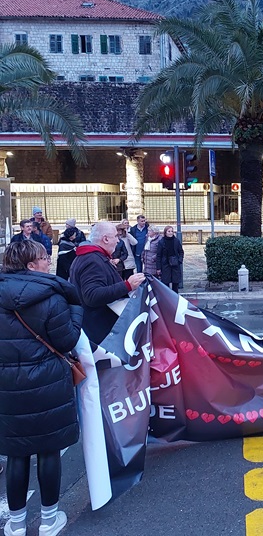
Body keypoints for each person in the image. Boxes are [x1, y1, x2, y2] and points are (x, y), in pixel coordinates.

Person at [0, 240, 83, 536]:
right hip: (48, 382)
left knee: (16, 453)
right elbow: (67, 340)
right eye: (44, 257)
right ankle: (49, 519)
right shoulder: (52, 296)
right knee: (48, 450)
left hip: (7, 386)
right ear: (31, 265)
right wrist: (76, 308)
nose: (49, 261)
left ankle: (16, 523)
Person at [69, 221, 145, 345]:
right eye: (115, 236)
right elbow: (92, 296)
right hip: (100, 332)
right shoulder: (92, 260)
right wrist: (127, 285)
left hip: (97, 328)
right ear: (105, 239)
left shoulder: (92, 257)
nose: (118, 240)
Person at [156, 226, 184, 293]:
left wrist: (179, 260)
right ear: (165, 232)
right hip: (165, 264)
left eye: (172, 231)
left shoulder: (176, 241)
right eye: (169, 231)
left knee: (175, 283)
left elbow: (181, 252)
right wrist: (158, 268)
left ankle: (175, 297)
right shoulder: (161, 242)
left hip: (175, 264)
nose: (171, 233)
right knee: (166, 283)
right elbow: (159, 255)